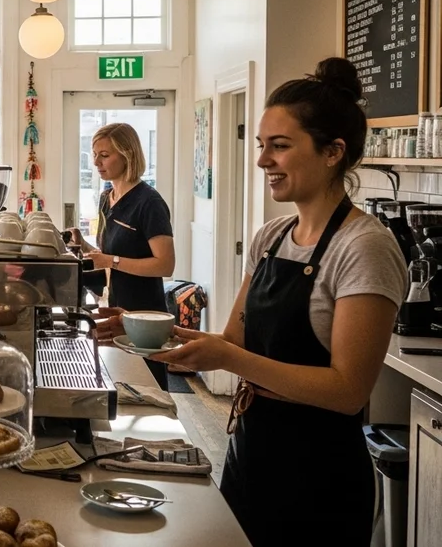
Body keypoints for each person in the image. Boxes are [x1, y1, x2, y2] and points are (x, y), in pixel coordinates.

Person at [151, 58, 407, 546]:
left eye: (280, 146)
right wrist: (153, 330)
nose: (263, 160)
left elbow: (348, 389)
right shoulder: (271, 236)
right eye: (262, 146)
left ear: (333, 151)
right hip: (251, 453)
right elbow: (233, 341)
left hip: (319, 478)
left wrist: (229, 357)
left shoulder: (363, 247)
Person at [70, 122, 175, 389]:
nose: (96, 162)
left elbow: (165, 264)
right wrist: (83, 244)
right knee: (118, 386)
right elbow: (108, 255)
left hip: (144, 317)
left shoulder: (149, 203)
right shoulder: (107, 197)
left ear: (127, 154)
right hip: (116, 307)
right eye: (94, 154)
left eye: (104, 155)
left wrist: (111, 260)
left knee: (147, 391)